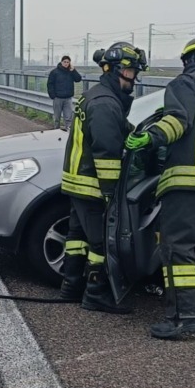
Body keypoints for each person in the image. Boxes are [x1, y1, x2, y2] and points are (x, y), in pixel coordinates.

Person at [125, 36, 195, 338]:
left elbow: (179, 120)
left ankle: (184, 317)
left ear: (186, 61)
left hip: (185, 179)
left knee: (177, 249)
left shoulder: (183, 84)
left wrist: (151, 138)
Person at [55, 42, 144, 314]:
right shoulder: (106, 102)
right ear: (115, 69)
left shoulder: (99, 95)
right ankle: (96, 293)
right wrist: (112, 193)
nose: (134, 78)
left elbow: (117, 131)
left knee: (77, 237)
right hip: (92, 185)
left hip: (77, 181)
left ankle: (70, 288)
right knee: (100, 243)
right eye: (130, 72)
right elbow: (106, 152)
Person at [47, 56, 82, 129]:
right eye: (65, 62)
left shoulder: (70, 72)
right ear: (61, 62)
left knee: (68, 117)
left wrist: (74, 70)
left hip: (68, 98)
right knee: (57, 117)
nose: (66, 64)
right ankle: (56, 130)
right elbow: (50, 84)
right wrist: (52, 95)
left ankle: (68, 131)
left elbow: (78, 79)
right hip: (58, 98)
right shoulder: (54, 72)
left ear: (69, 63)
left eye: (68, 62)